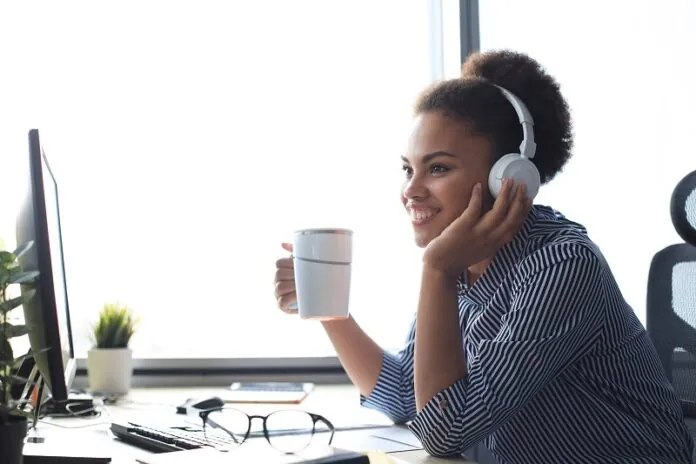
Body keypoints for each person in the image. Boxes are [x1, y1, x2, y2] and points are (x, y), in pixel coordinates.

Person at [273, 49, 694, 463]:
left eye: (437, 168)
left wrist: (435, 268)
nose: (411, 190)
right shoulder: (460, 268)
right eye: (408, 168)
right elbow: (407, 393)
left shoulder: (561, 265)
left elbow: (443, 431)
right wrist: (333, 313)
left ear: (506, 177)